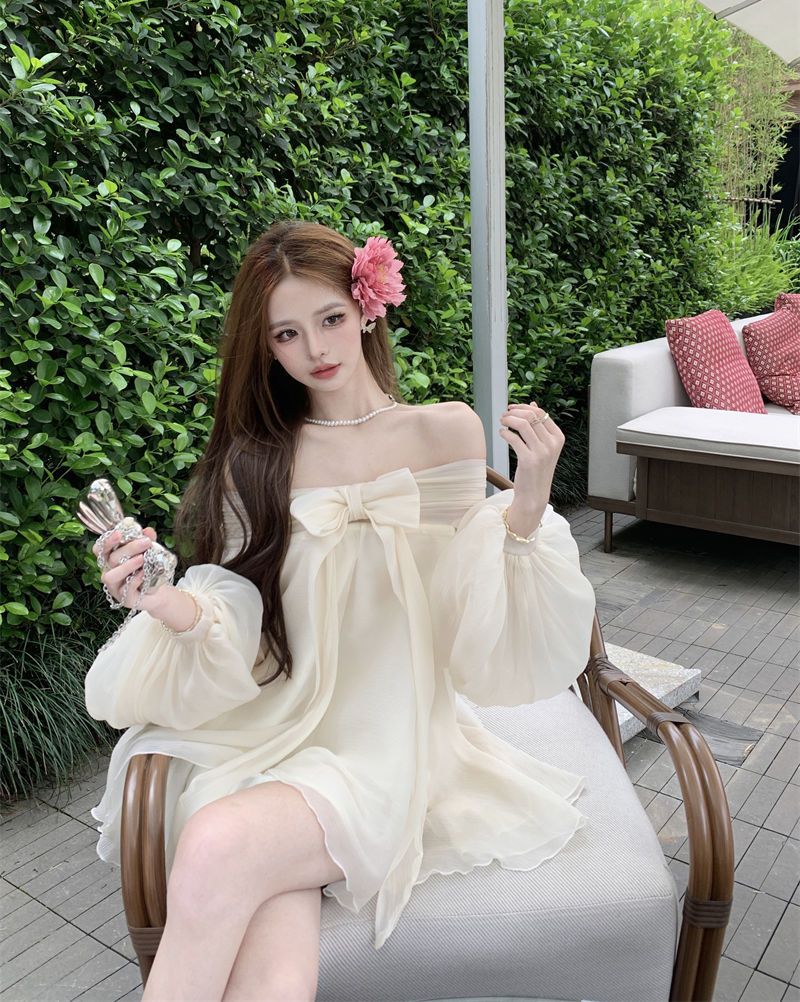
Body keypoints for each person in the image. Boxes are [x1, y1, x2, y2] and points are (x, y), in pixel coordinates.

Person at [85, 220, 597, 1002]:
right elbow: (244, 625)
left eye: (329, 318)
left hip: (393, 742)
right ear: (268, 349)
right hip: (272, 729)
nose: (315, 349)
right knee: (273, 973)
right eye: (286, 334)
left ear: (367, 306)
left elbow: (469, 619)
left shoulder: (445, 431)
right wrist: (159, 598)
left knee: (218, 841)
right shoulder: (256, 458)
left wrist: (525, 508)